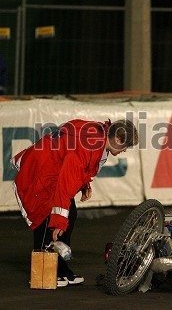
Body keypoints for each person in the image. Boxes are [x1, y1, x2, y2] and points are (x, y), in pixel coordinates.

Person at [11, 118, 138, 287]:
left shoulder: (97, 132)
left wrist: (84, 183)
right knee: (46, 219)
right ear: (118, 139)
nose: (125, 151)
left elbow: (74, 162)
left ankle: (60, 269)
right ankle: (42, 275)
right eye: (126, 147)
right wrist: (59, 222)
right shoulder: (91, 146)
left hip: (47, 167)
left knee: (69, 214)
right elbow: (65, 184)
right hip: (41, 175)